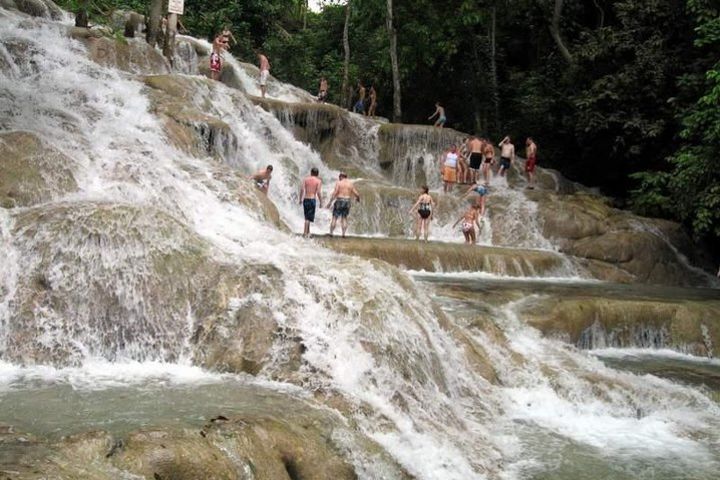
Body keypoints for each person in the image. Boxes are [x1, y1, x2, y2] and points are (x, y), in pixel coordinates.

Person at [326, 172, 360, 237]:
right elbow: (357, 194)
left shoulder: (339, 183)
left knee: (335, 217)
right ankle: (343, 234)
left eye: (339, 177)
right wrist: (358, 199)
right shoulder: (350, 184)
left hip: (339, 200)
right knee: (344, 218)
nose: (339, 178)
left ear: (341, 176)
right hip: (347, 201)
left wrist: (330, 202)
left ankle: (331, 233)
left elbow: (335, 193)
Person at [299, 167, 323, 238]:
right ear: (317, 174)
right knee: (308, 218)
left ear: (311, 173)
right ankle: (305, 233)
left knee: (307, 216)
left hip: (306, 199)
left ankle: (308, 232)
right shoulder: (318, 181)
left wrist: (300, 199)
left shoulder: (306, 179)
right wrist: (321, 201)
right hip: (312, 199)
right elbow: (318, 192)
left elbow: (302, 189)